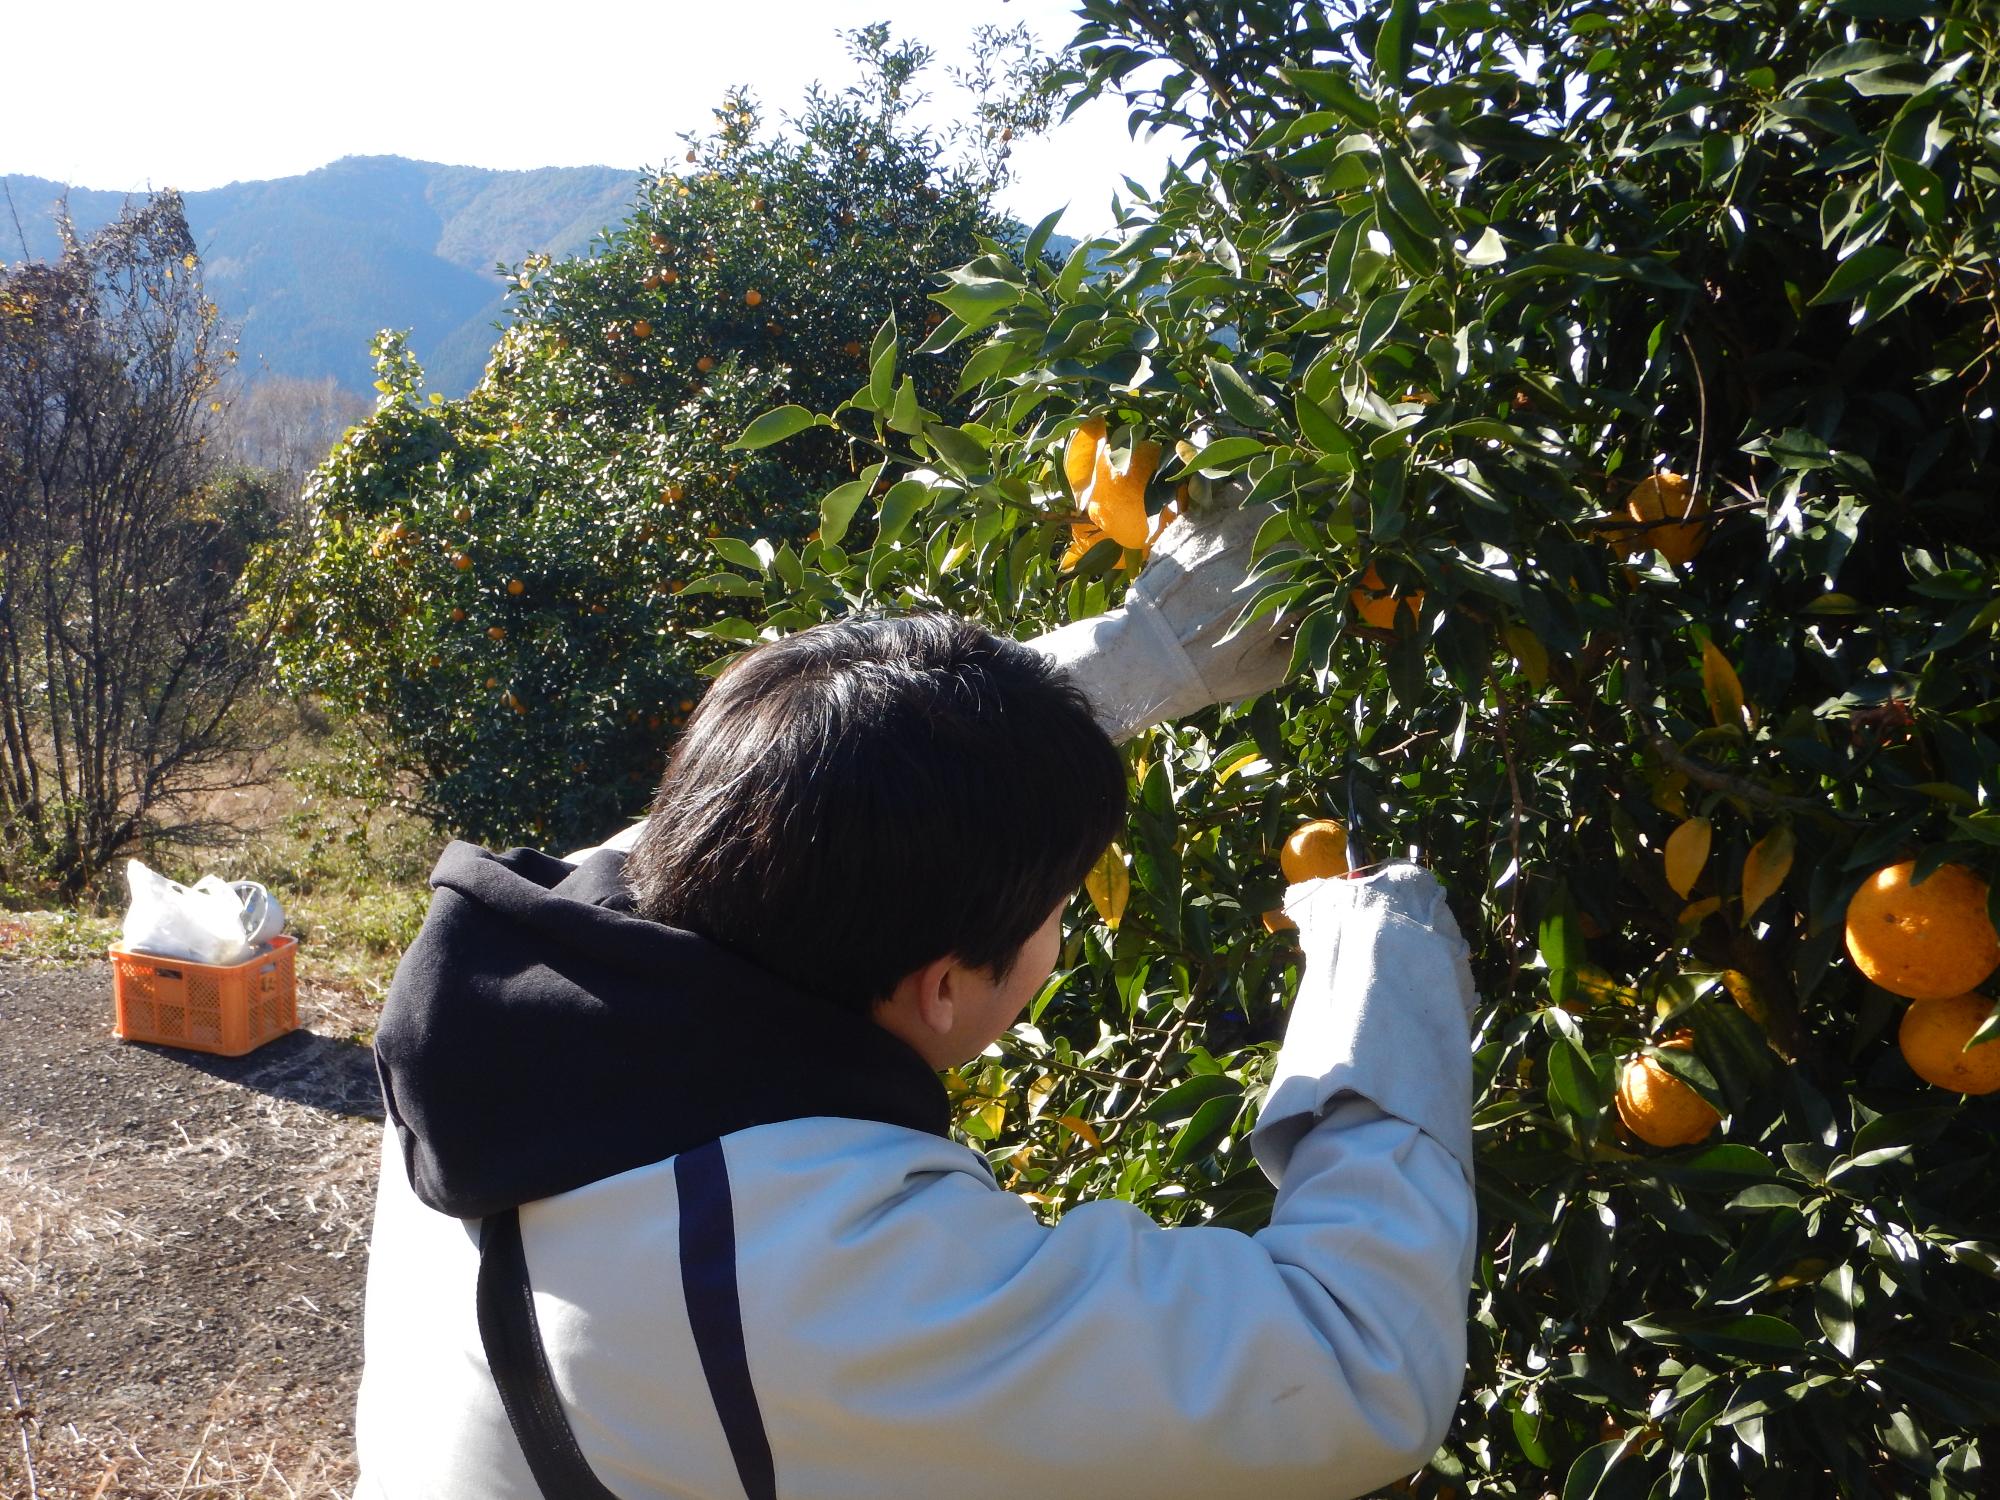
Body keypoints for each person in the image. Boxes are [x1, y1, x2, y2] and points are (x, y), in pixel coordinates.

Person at [354, 497, 1478, 1499]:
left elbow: (783, 803)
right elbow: (1352, 1363)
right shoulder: (831, 1290)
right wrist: (1384, 978)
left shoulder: (510, 1012)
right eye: (1054, 908)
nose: (1058, 927)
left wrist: (1135, 661)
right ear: (942, 988)